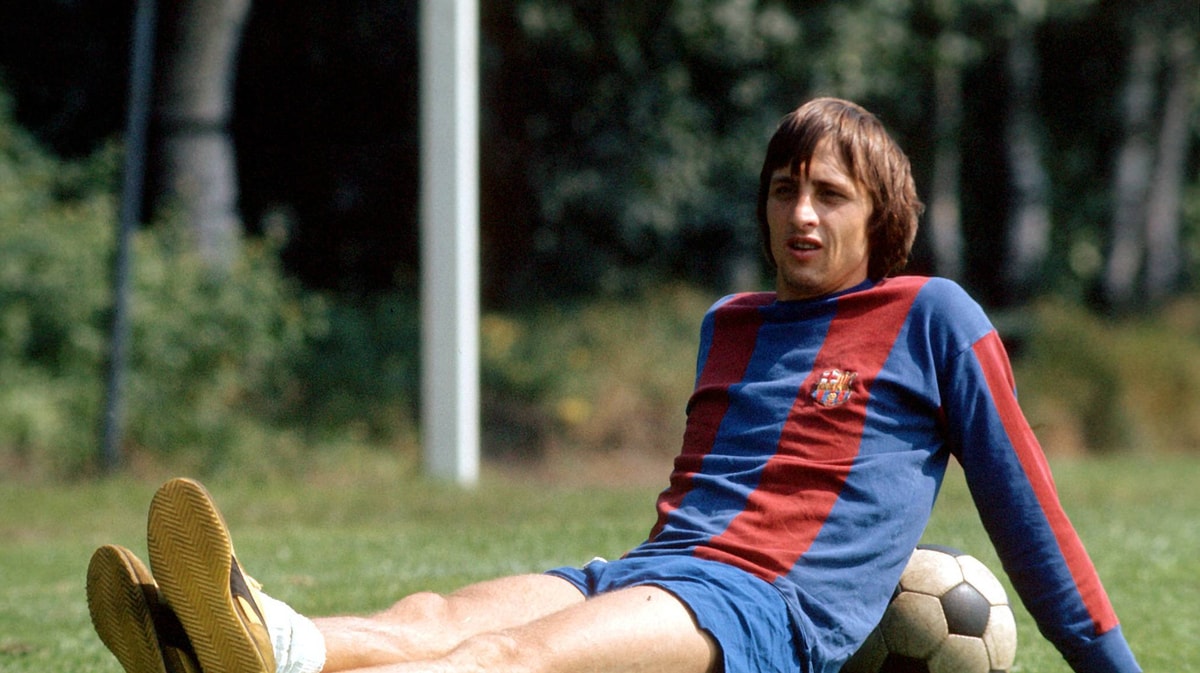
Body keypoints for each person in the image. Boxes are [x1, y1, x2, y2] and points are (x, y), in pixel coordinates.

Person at [86, 97, 1142, 673]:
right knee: (433, 611)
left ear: (884, 217)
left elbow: (1031, 519)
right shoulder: (728, 327)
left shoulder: (932, 317)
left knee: (506, 658)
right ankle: (259, 639)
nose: (802, 214)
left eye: (831, 193)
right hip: (648, 571)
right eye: (785, 189)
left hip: (763, 613)